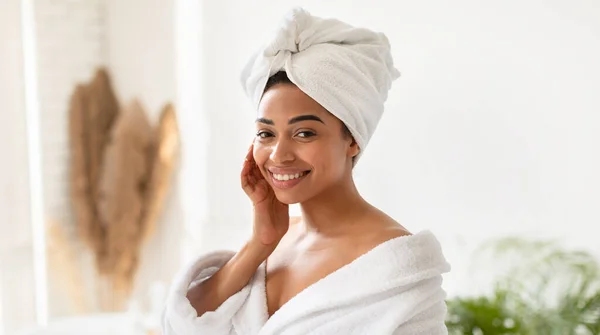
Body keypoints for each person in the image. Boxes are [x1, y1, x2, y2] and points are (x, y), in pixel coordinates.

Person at [162, 7, 450, 335]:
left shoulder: (396, 267)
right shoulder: (275, 241)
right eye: (266, 134)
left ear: (352, 139)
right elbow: (182, 326)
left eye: (304, 133)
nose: (279, 155)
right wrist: (260, 242)